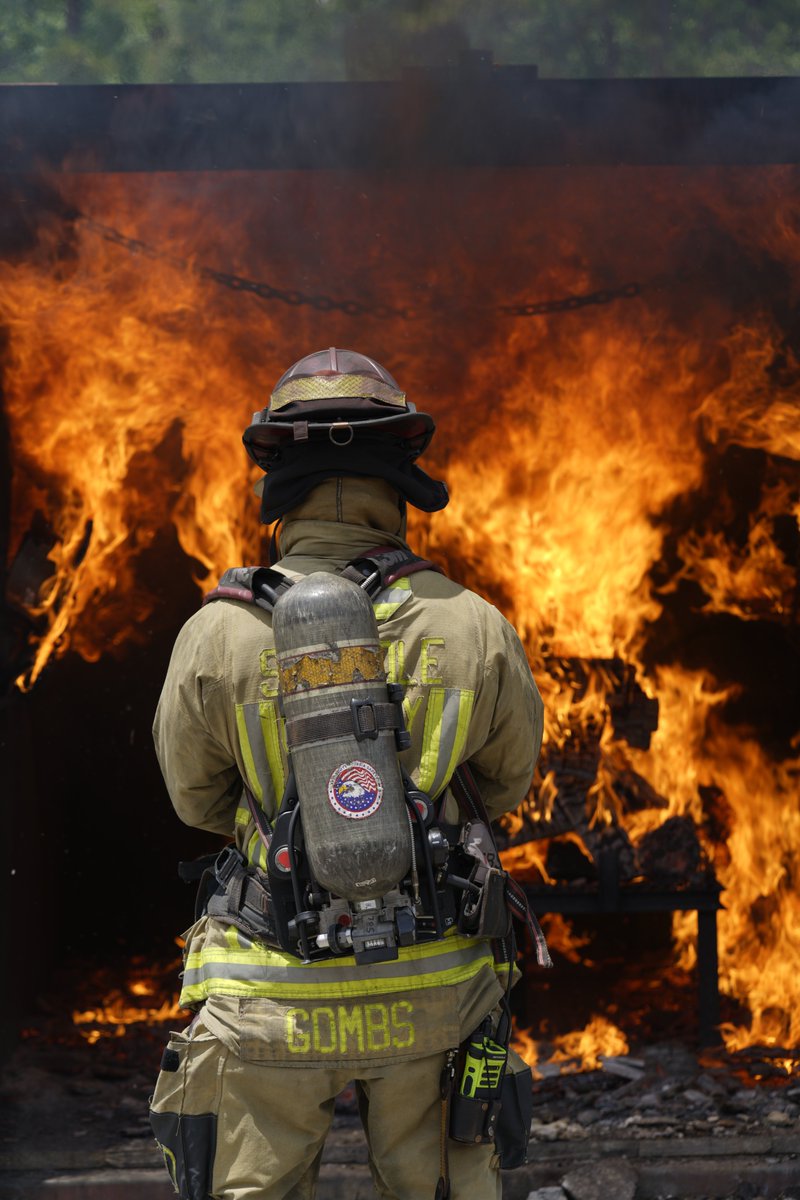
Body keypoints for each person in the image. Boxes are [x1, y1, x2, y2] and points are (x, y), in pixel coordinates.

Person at [149, 348, 545, 1200]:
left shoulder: (216, 634)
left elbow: (194, 800)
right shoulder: (472, 623)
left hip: (268, 1000)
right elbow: (505, 787)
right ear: (401, 475)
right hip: (437, 1003)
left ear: (276, 479)